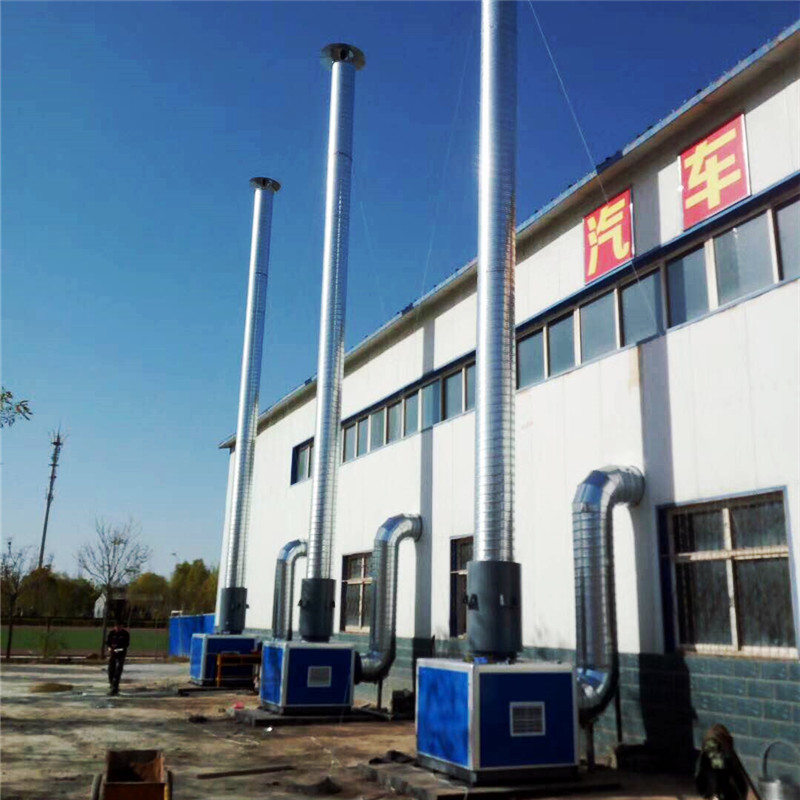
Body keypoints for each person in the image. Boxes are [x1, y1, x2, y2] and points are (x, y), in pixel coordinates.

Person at [106, 620, 130, 696]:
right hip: (113, 654)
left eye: (120, 627)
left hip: (121, 654)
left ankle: (115, 687)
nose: (118, 628)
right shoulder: (111, 633)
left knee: (118, 670)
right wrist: (109, 648)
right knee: (111, 669)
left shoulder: (125, 634)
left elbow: (126, 644)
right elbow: (108, 643)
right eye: (116, 627)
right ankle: (111, 683)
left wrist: (119, 649)